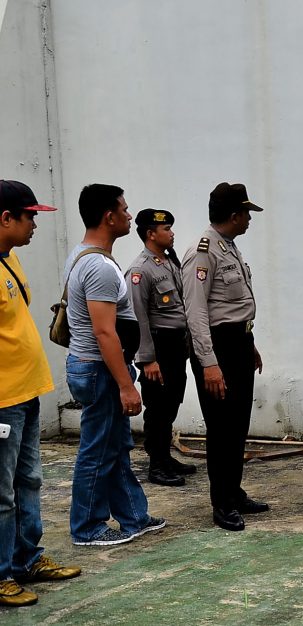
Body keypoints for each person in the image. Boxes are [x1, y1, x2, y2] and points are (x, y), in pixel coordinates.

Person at [64, 184, 165, 546]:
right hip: (100, 370)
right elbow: (105, 332)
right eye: (123, 209)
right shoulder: (98, 267)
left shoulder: (85, 255)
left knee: (115, 445)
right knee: (97, 450)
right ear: (109, 216)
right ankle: (87, 528)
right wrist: (126, 384)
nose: (128, 214)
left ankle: (133, 516)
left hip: (97, 367)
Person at [0, 180, 80, 607]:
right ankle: (0, 574)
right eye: (29, 216)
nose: (34, 224)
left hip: (25, 392)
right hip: (2, 400)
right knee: (1, 492)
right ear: (5, 218)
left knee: (29, 481)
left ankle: (27, 558)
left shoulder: (9, 259)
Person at [182, 183, 267, 531]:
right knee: (221, 430)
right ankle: (222, 504)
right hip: (217, 349)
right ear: (234, 216)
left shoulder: (229, 247)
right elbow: (196, 312)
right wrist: (210, 363)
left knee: (238, 426)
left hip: (238, 345)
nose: (249, 219)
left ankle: (234, 492)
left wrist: (251, 345)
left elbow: (234, 306)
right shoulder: (203, 252)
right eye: (247, 213)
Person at [125, 209, 196, 487]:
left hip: (176, 345)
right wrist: (147, 360)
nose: (172, 232)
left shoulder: (167, 263)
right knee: (158, 406)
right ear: (150, 234)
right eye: (166, 228)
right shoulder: (140, 270)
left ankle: (165, 457)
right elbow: (138, 317)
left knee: (172, 401)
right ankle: (157, 465)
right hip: (158, 346)